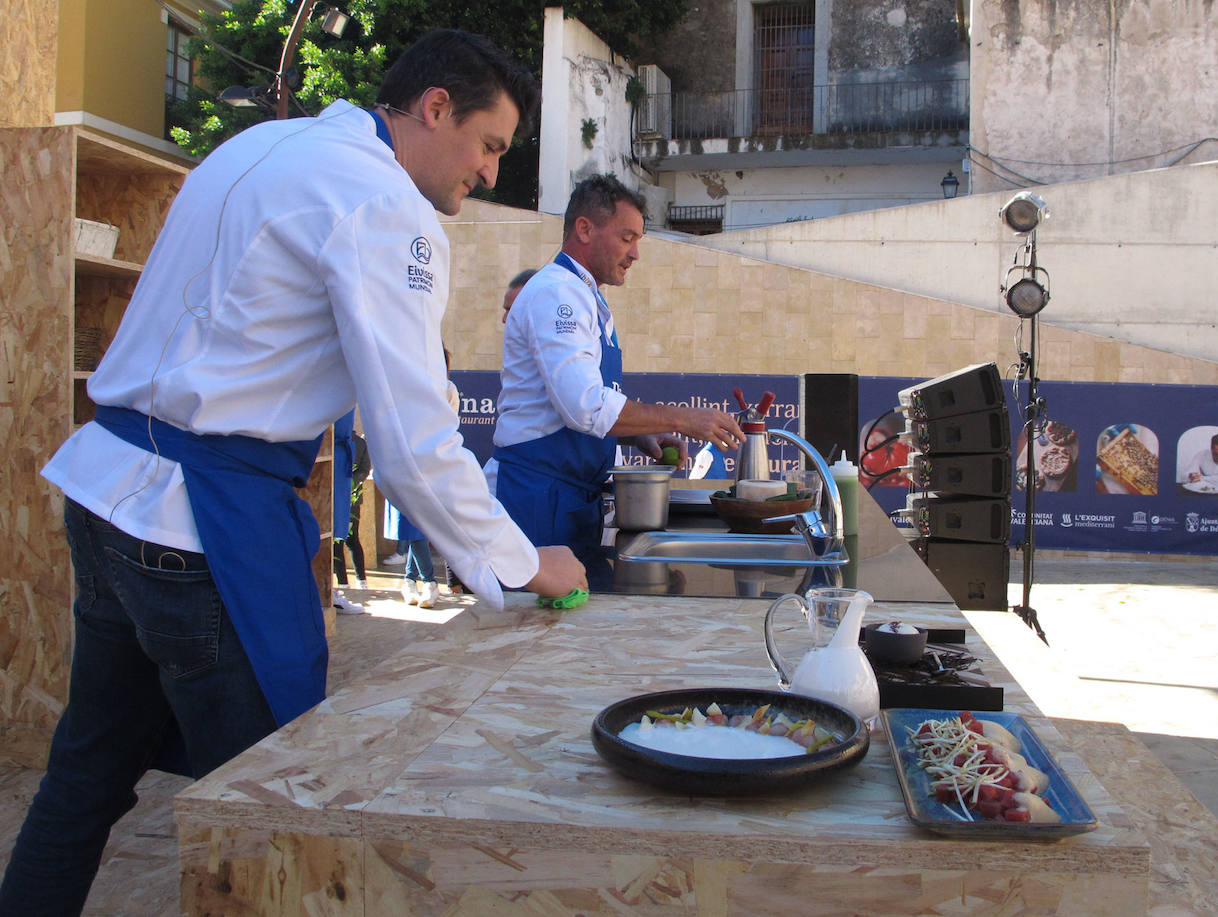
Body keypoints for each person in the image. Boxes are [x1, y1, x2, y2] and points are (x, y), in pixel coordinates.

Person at [0, 29, 585, 915]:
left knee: (85, 775)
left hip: (110, 491)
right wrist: (521, 561)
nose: (492, 173)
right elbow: (414, 440)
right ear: (435, 109)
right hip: (198, 524)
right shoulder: (386, 204)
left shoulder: (260, 145)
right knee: (274, 817)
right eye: (489, 145)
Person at [488, 175, 744, 561]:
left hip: (569, 499)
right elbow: (586, 406)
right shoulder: (558, 294)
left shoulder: (588, 298)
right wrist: (685, 419)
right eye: (627, 238)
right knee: (532, 620)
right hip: (535, 500)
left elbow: (564, 412)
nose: (636, 254)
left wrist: (640, 437)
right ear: (585, 229)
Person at [330, 412, 369, 615]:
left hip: (350, 497)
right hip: (334, 493)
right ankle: (341, 584)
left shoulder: (359, 444)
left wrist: (352, 482)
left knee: (351, 540)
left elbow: (365, 468)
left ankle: (360, 580)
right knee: (334, 543)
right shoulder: (333, 442)